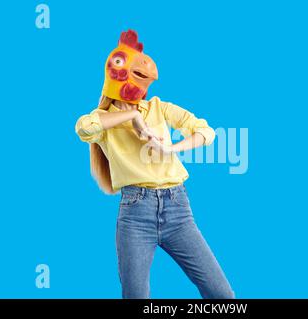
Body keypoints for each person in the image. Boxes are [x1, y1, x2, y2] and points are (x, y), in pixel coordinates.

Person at [75, 29, 235, 299]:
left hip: (178, 210)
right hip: (135, 215)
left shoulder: (159, 108)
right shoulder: (103, 119)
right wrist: (130, 119)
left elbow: (206, 132)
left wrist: (171, 147)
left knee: (222, 296)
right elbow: (83, 128)